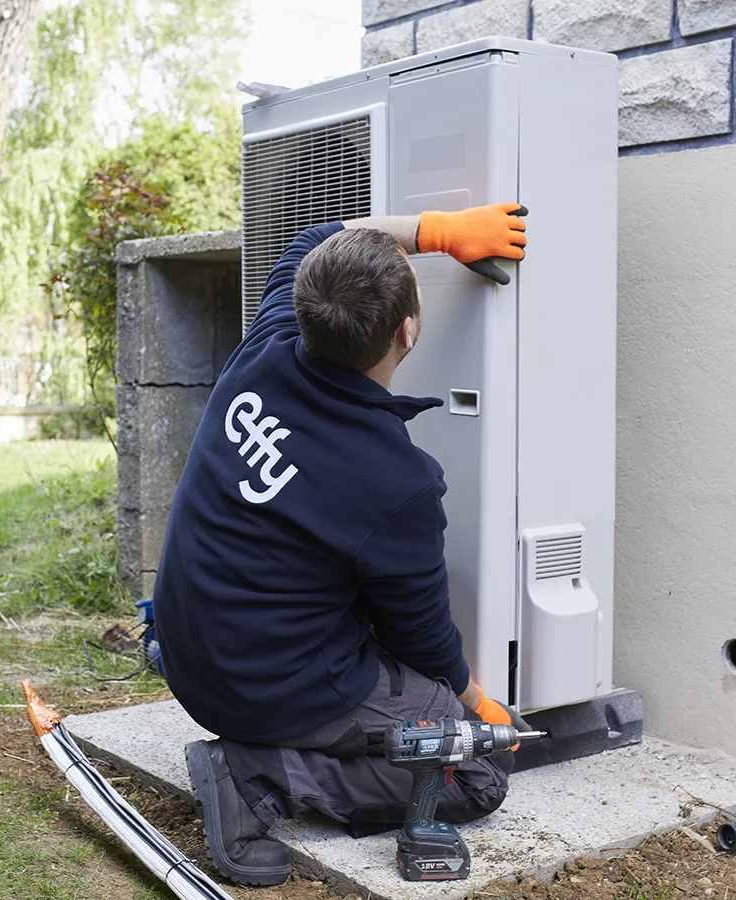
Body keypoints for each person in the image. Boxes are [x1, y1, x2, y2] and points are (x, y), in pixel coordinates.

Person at [151, 204, 530, 886]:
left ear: (303, 304)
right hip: (259, 684)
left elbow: (321, 233)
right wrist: (476, 706)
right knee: (473, 766)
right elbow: (422, 638)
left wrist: (436, 229)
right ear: (407, 330)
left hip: (191, 651)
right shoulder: (395, 480)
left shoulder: (266, 343)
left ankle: (269, 745)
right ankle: (255, 775)